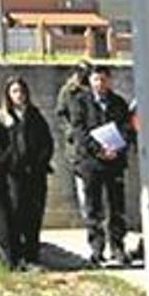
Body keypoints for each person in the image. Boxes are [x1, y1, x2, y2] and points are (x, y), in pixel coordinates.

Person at [0, 76, 55, 269]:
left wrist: (39, 162)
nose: (19, 95)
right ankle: (16, 258)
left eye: (22, 91)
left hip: (34, 174)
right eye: (14, 91)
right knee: (15, 215)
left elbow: (46, 143)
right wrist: (8, 161)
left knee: (34, 215)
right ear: (8, 94)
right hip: (11, 176)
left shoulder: (34, 115)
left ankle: (32, 256)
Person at [70, 63, 135, 266]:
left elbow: (127, 129)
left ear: (110, 81)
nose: (100, 83)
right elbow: (79, 131)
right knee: (93, 208)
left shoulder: (118, 103)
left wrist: (116, 149)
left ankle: (118, 247)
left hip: (114, 162)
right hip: (91, 163)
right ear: (90, 81)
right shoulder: (81, 102)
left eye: (104, 79)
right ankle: (97, 249)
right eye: (96, 79)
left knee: (117, 207)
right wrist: (99, 150)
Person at [54, 59, 92, 219]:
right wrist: (70, 131)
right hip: (77, 147)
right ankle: (89, 220)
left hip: (95, 143)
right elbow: (60, 114)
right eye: (80, 71)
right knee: (83, 186)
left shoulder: (93, 90)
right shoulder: (68, 91)